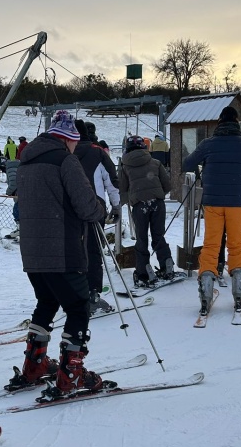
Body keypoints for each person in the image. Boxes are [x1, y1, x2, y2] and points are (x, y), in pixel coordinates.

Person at [10, 110, 109, 397]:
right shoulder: (66, 161)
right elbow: (86, 205)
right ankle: (71, 374)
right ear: (69, 140)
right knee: (78, 305)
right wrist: (100, 207)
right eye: (74, 143)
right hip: (62, 249)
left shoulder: (26, 162)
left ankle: (35, 364)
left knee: (47, 301)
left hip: (32, 252)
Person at [182, 106, 241, 316]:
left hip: (213, 201)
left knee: (212, 244)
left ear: (219, 122)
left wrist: (205, 164)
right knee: (236, 244)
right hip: (237, 201)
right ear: (237, 123)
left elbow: (187, 163)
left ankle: (206, 285)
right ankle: (239, 285)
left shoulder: (208, 144)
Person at [73, 119, 120, 313]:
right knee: (93, 251)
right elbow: (111, 180)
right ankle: (93, 293)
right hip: (95, 208)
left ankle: (75, 291)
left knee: (73, 250)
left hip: (70, 210)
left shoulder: (65, 153)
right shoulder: (98, 152)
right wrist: (116, 206)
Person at [119, 135, 174, 287]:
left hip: (139, 205)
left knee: (142, 239)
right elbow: (167, 185)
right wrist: (157, 194)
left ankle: (143, 272)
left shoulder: (125, 166)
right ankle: (167, 266)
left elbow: (122, 189)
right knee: (158, 236)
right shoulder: (155, 162)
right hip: (157, 203)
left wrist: (127, 201)